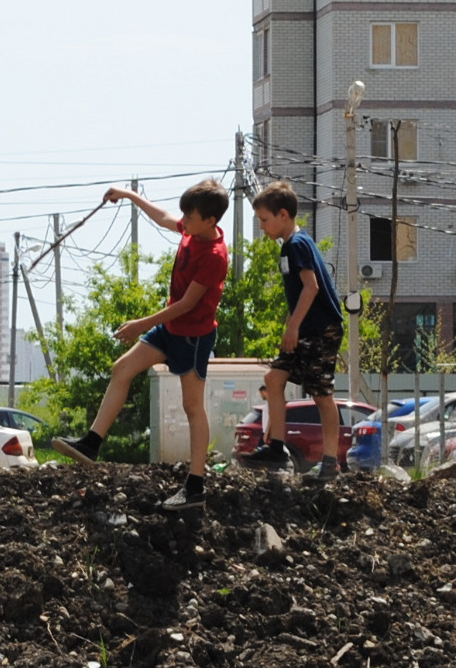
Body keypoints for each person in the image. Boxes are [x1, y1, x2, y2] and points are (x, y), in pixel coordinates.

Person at [57, 178, 231, 465]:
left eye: (189, 216)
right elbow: (162, 217)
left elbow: (186, 305)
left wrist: (141, 324)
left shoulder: (215, 256)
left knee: (192, 407)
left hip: (194, 338)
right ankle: (91, 443)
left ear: (210, 220)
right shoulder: (191, 231)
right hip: (170, 329)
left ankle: (196, 480)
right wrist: (129, 195)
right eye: (184, 214)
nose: (183, 220)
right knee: (122, 369)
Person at [239, 181, 347, 481]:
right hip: (304, 329)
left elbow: (311, 288)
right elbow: (298, 293)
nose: (262, 227)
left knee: (321, 393)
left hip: (321, 329)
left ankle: (329, 464)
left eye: (264, 220)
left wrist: (293, 326)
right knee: (273, 378)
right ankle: (276, 447)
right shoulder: (288, 246)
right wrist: (292, 326)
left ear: (283, 215)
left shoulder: (298, 244)